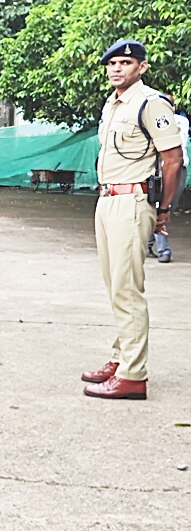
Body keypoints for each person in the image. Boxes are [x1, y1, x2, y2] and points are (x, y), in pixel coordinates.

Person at [82, 40, 185, 400]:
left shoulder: (150, 103)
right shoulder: (113, 104)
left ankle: (133, 376)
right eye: (111, 63)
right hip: (107, 199)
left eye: (125, 62)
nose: (116, 69)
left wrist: (164, 208)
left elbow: (173, 159)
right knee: (115, 286)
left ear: (141, 67)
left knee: (128, 289)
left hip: (133, 199)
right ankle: (121, 358)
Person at [147, 112, 188, 263]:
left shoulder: (180, 121)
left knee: (166, 207)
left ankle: (149, 243)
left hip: (176, 167)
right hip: (159, 168)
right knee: (159, 206)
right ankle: (163, 249)